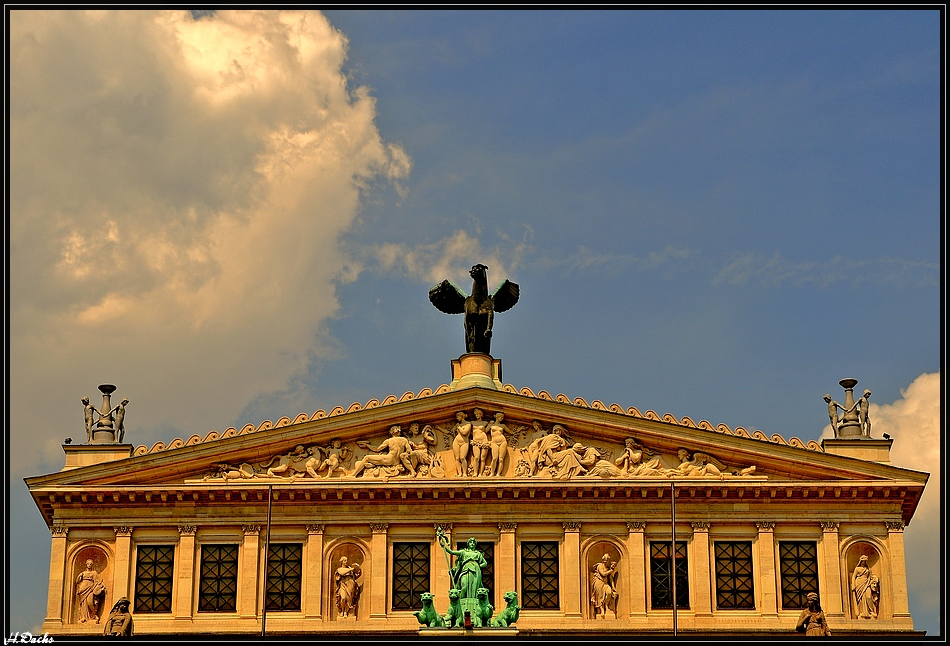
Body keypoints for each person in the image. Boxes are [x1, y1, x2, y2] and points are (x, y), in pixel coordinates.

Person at [438, 531, 488, 600]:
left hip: (476, 571)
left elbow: (485, 563)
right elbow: (452, 552)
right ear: (468, 544)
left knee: (474, 587)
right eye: (471, 542)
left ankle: (473, 601)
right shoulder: (463, 552)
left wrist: (479, 566)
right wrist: (444, 546)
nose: (472, 543)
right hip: (465, 569)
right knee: (464, 586)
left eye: (473, 542)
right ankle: (460, 602)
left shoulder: (478, 553)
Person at [76, 558, 106, 623]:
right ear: (86, 565)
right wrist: (79, 576)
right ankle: (83, 617)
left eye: (90, 564)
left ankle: (93, 615)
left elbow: (96, 581)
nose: (89, 565)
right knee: (84, 603)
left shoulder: (94, 573)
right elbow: (77, 581)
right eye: (88, 564)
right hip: (83, 588)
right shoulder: (83, 573)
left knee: (90, 602)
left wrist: (99, 588)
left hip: (91, 587)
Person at [590, 554, 619, 619]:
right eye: (605, 560)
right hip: (598, 582)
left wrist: (613, 587)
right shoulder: (600, 566)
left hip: (605, 584)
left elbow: (610, 579)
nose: (606, 561)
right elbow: (603, 574)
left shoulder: (608, 568)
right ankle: (602, 610)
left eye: (607, 560)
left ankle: (606, 606)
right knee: (600, 596)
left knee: (609, 592)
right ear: (603, 560)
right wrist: (611, 571)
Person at [487, 412, 509, 477]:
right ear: (497, 417)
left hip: (503, 441)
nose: (502, 418)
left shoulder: (503, 426)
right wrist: (489, 424)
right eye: (500, 417)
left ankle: (498, 474)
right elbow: (485, 431)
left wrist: (520, 429)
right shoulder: (491, 425)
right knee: (494, 458)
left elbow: (511, 432)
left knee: (501, 459)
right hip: (494, 442)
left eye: (502, 417)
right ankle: (492, 473)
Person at [451, 411, 473, 477]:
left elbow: (464, 432)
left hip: (464, 442)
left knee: (462, 457)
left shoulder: (468, 424)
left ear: (462, 416)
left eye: (458, 416)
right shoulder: (457, 424)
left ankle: (464, 473)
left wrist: (459, 427)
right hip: (456, 442)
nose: (457, 418)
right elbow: (451, 431)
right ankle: (460, 473)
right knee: (457, 458)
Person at [470, 408, 490, 477]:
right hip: (475, 441)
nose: (476, 415)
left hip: (484, 440)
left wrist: (490, 425)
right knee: (476, 457)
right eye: (476, 414)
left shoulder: (485, 423)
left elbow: (486, 431)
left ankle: (480, 473)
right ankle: (475, 473)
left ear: (481, 415)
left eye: (478, 414)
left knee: (482, 458)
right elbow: (470, 433)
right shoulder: (472, 423)